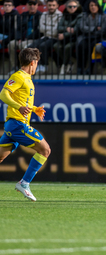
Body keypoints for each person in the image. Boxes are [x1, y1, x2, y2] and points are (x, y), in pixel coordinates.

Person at [0, 48, 51, 202]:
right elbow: (3, 94)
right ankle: (24, 183)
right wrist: (19, 107)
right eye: (36, 63)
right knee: (45, 150)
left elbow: (22, 99)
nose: (36, 66)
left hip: (12, 125)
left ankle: (24, 183)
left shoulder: (27, 78)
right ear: (32, 62)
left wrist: (34, 109)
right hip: (17, 125)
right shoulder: (19, 77)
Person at [8, 0, 42, 75]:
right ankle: (15, 67)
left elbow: (38, 31)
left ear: (37, 5)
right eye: (30, 4)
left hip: (33, 39)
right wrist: (19, 38)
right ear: (27, 5)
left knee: (24, 46)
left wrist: (28, 38)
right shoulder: (23, 15)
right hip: (22, 39)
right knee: (11, 44)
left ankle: (26, 69)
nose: (32, 6)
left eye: (34, 4)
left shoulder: (41, 15)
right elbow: (18, 28)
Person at [28, 0, 62, 74]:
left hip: (55, 38)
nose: (51, 7)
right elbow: (41, 28)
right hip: (45, 36)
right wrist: (50, 28)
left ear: (57, 6)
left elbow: (56, 31)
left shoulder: (60, 15)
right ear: (47, 5)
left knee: (43, 46)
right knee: (32, 46)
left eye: (53, 5)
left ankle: (44, 65)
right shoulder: (44, 14)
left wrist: (47, 28)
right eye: (49, 5)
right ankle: (32, 66)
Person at [76, 0, 106, 74]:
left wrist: (91, 30)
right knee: (81, 45)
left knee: (92, 46)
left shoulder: (104, 16)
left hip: (99, 37)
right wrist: (94, 28)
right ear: (88, 7)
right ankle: (80, 68)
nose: (93, 7)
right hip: (87, 37)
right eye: (91, 5)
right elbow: (82, 27)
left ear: (98, 7)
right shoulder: (85, 15)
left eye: (95, 5)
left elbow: (103, 30)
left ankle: (90, 69)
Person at [53, 0, 83, 75]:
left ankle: (64, 65)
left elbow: (76, 30)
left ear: (77, 7)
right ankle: (69, 63)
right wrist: (67, 29)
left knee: (67, 47)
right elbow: (59, 27)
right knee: (56, 46)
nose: (72, 8)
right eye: (70, 7)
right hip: (64, 39)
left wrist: (64, 35)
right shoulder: (64, 15)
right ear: (67, 8)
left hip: (74, 38)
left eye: (74, 7)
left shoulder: (80, 16)